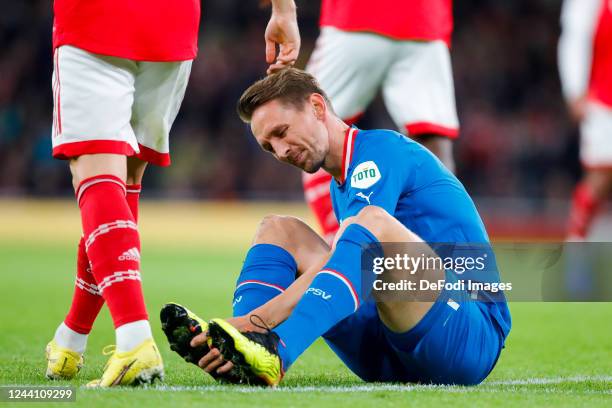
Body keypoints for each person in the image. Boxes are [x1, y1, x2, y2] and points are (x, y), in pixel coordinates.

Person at [162, 68, 510, 386]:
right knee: (278, 228)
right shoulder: (340, 182)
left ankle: (273, 348)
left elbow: (365, 247)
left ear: (316, 107)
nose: (280, 152)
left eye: (281, 133)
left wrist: (260, 318)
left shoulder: (381, 152)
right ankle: (239, 357)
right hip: (392, 347)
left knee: (372, 225)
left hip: (467, 334)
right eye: (269, 146)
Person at [45, 0, 300, 387]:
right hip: (171, 25)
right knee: (122, 190)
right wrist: (284, 10)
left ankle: (134, 340)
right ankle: (71, 338)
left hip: (95, 17)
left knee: (97, 178)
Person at [303, 0, 459, 242]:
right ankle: (449, 256)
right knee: (432, 143)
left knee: (311, 125)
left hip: (357, 14)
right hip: (425, 18)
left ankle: (345, 252)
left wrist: (283, 10)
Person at [558, 0, 612, 240]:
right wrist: (575, 89)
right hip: (604, 98)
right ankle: (577, 245)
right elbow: (574, 37)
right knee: (600, 176)